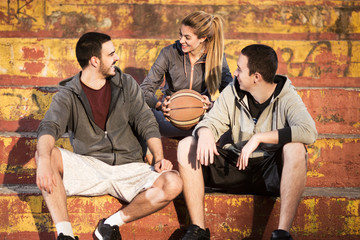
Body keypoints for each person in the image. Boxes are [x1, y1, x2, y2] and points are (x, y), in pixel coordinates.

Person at [35, 32, 183, 240]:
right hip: (91, 168)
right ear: (95, 61)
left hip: (131, 168)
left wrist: (158, 156)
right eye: (111, 54)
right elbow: (49, 127)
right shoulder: (67, 95)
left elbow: (146, 122)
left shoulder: (127, 84)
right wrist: (42, 161)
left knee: (174, 182)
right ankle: (65, 235)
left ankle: (110, 224)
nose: (116, 58)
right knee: (46, 154)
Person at [177, 44, 318, 240]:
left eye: (240, 69)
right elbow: (211, 121)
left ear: (256, 76)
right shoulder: (233, 90)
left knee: (296, 149)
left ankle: (282, 234)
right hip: (235, 166)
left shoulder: (286, 95)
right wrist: (205, 131)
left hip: (269, 171)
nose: (235, 73)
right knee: (186, 145)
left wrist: (259, 138)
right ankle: (198, 230)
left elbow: (309, 131)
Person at [140, 11, 233, 138]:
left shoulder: (217, 57)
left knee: (233, 123)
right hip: (169, 119)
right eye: (180, 35)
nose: (181, 40)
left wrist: (212, 105)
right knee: (138, 113)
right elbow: (145, 89)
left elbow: (231, 94)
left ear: (202, 38)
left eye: (187, 37)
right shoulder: (169, 53)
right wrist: (160, 106)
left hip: (203, 120)